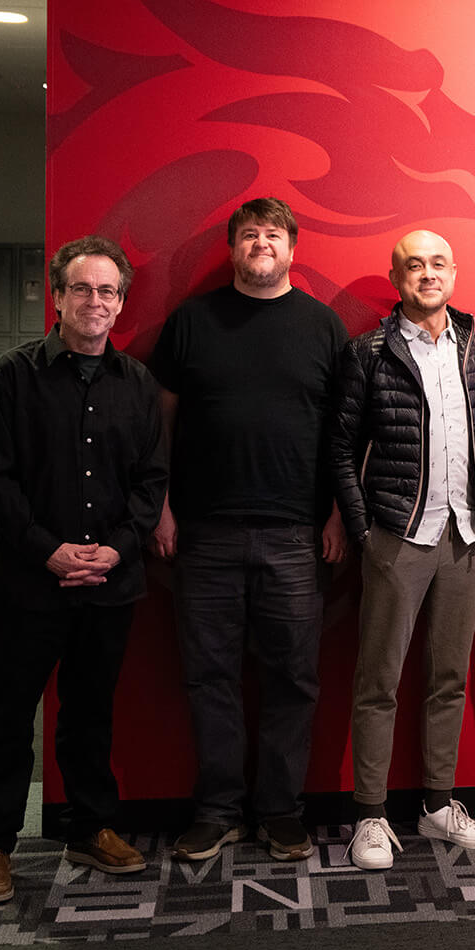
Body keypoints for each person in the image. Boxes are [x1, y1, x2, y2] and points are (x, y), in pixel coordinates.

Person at [0, 235, 167, 905]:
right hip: (29, 583)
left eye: (108, 291)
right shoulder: (12, 375)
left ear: (120, 303)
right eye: (82, 288)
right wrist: (48, 549)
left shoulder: (137, 385)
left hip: (108, 584)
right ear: (57, 296)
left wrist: (115, 548)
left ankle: (90, 827)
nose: (95, 301)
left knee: (90, 715)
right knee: (7, 717)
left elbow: (150, 481)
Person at [150, 198, 347, 863]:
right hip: (203, 534)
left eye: (273, 234)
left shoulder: (324, 328)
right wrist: (163, 507)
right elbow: (162, 427)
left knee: (293, 680)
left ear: (292, 249)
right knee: (209, 677)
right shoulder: (190, 324)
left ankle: (282, 812)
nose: (261, 243)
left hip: (297, 536)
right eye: (248, 234)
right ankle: (217, 811)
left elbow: (347, 437)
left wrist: (339, 512)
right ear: (232, 248)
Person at [330, 230, 475, 870]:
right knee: (379, 681)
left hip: (468, 537)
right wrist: (363, 531)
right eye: (414, 265)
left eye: (437, 262)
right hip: (398, 537)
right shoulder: (369, 353)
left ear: (453, 271)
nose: (427, 273)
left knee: (449, 679)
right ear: (397, 277)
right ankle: (371, 817)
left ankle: (438, 805)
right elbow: (341, 451)